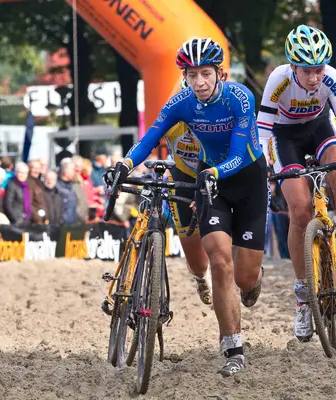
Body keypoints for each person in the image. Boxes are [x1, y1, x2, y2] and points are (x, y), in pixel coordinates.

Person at [113, 37, 266, 377]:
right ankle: (233, 348)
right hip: (209, 181)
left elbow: (239, 154)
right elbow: (150, 138)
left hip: (247, 177)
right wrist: (125, 164)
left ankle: (255, 279)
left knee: (245, 276)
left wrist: (214, 172)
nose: (199, 82)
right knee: (220, 262)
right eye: (192, 75)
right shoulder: (182, 102)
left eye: (206, 74)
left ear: (219, 73)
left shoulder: (240, 97)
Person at [256, 25, 336, 343]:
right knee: (301, 210)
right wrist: (265, 169)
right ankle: (304, 295)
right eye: (308, 71)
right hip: (284, 137)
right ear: (293, 67)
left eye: (318, 69)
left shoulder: (330, 77)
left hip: (319, 129)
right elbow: (263, 130)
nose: (315, 78)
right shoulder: (278, 80)